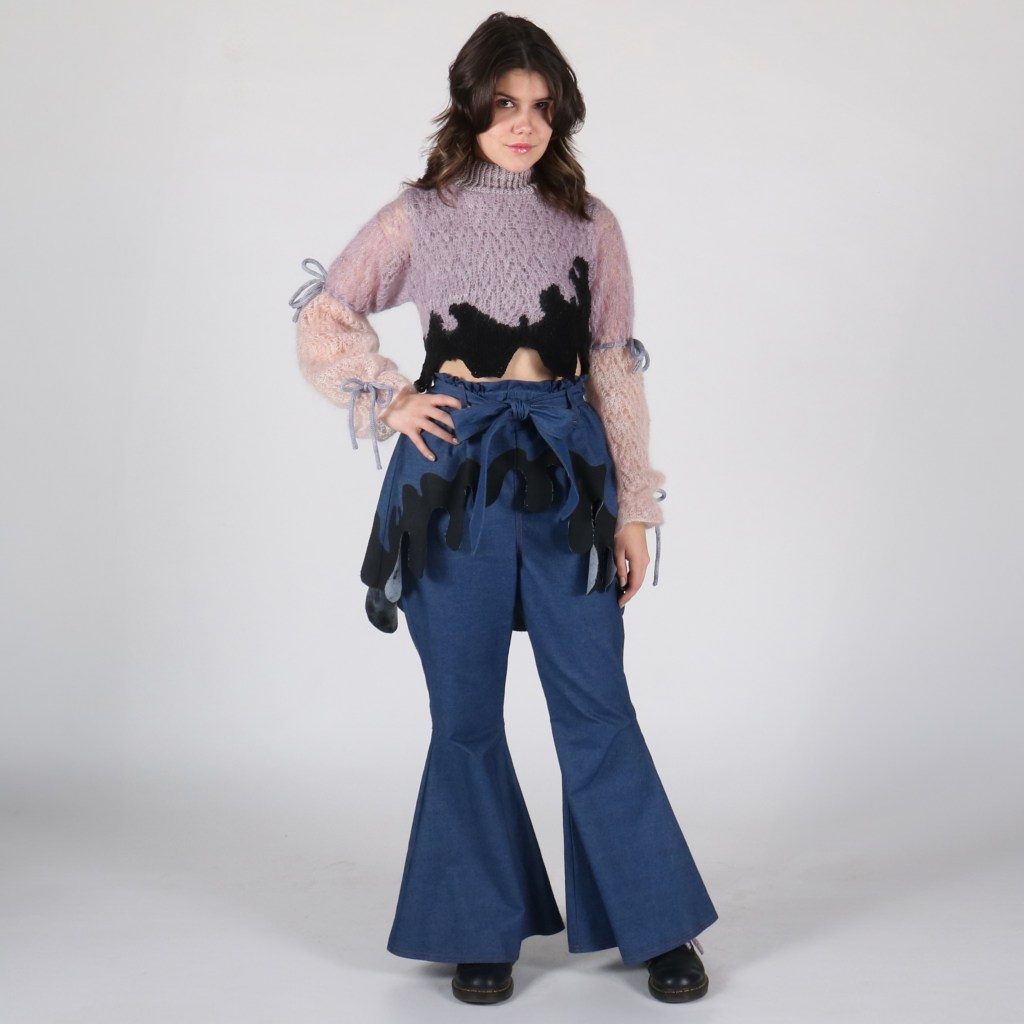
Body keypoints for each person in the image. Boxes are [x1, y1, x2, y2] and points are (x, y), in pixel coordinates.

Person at [290, 11, 717, 1005]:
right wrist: (392, 398)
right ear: (471, 105)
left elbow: (612, 366)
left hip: (566, 473)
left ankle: (657, 924)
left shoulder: (590, 222)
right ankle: (477, 926)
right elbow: (326, 315)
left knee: (595, 701)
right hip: (453, 481)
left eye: (541, 106)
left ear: (560, 114)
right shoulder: (418, 215)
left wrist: (633, 507)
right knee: (466, 713)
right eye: (504, 103)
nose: (523, 123)